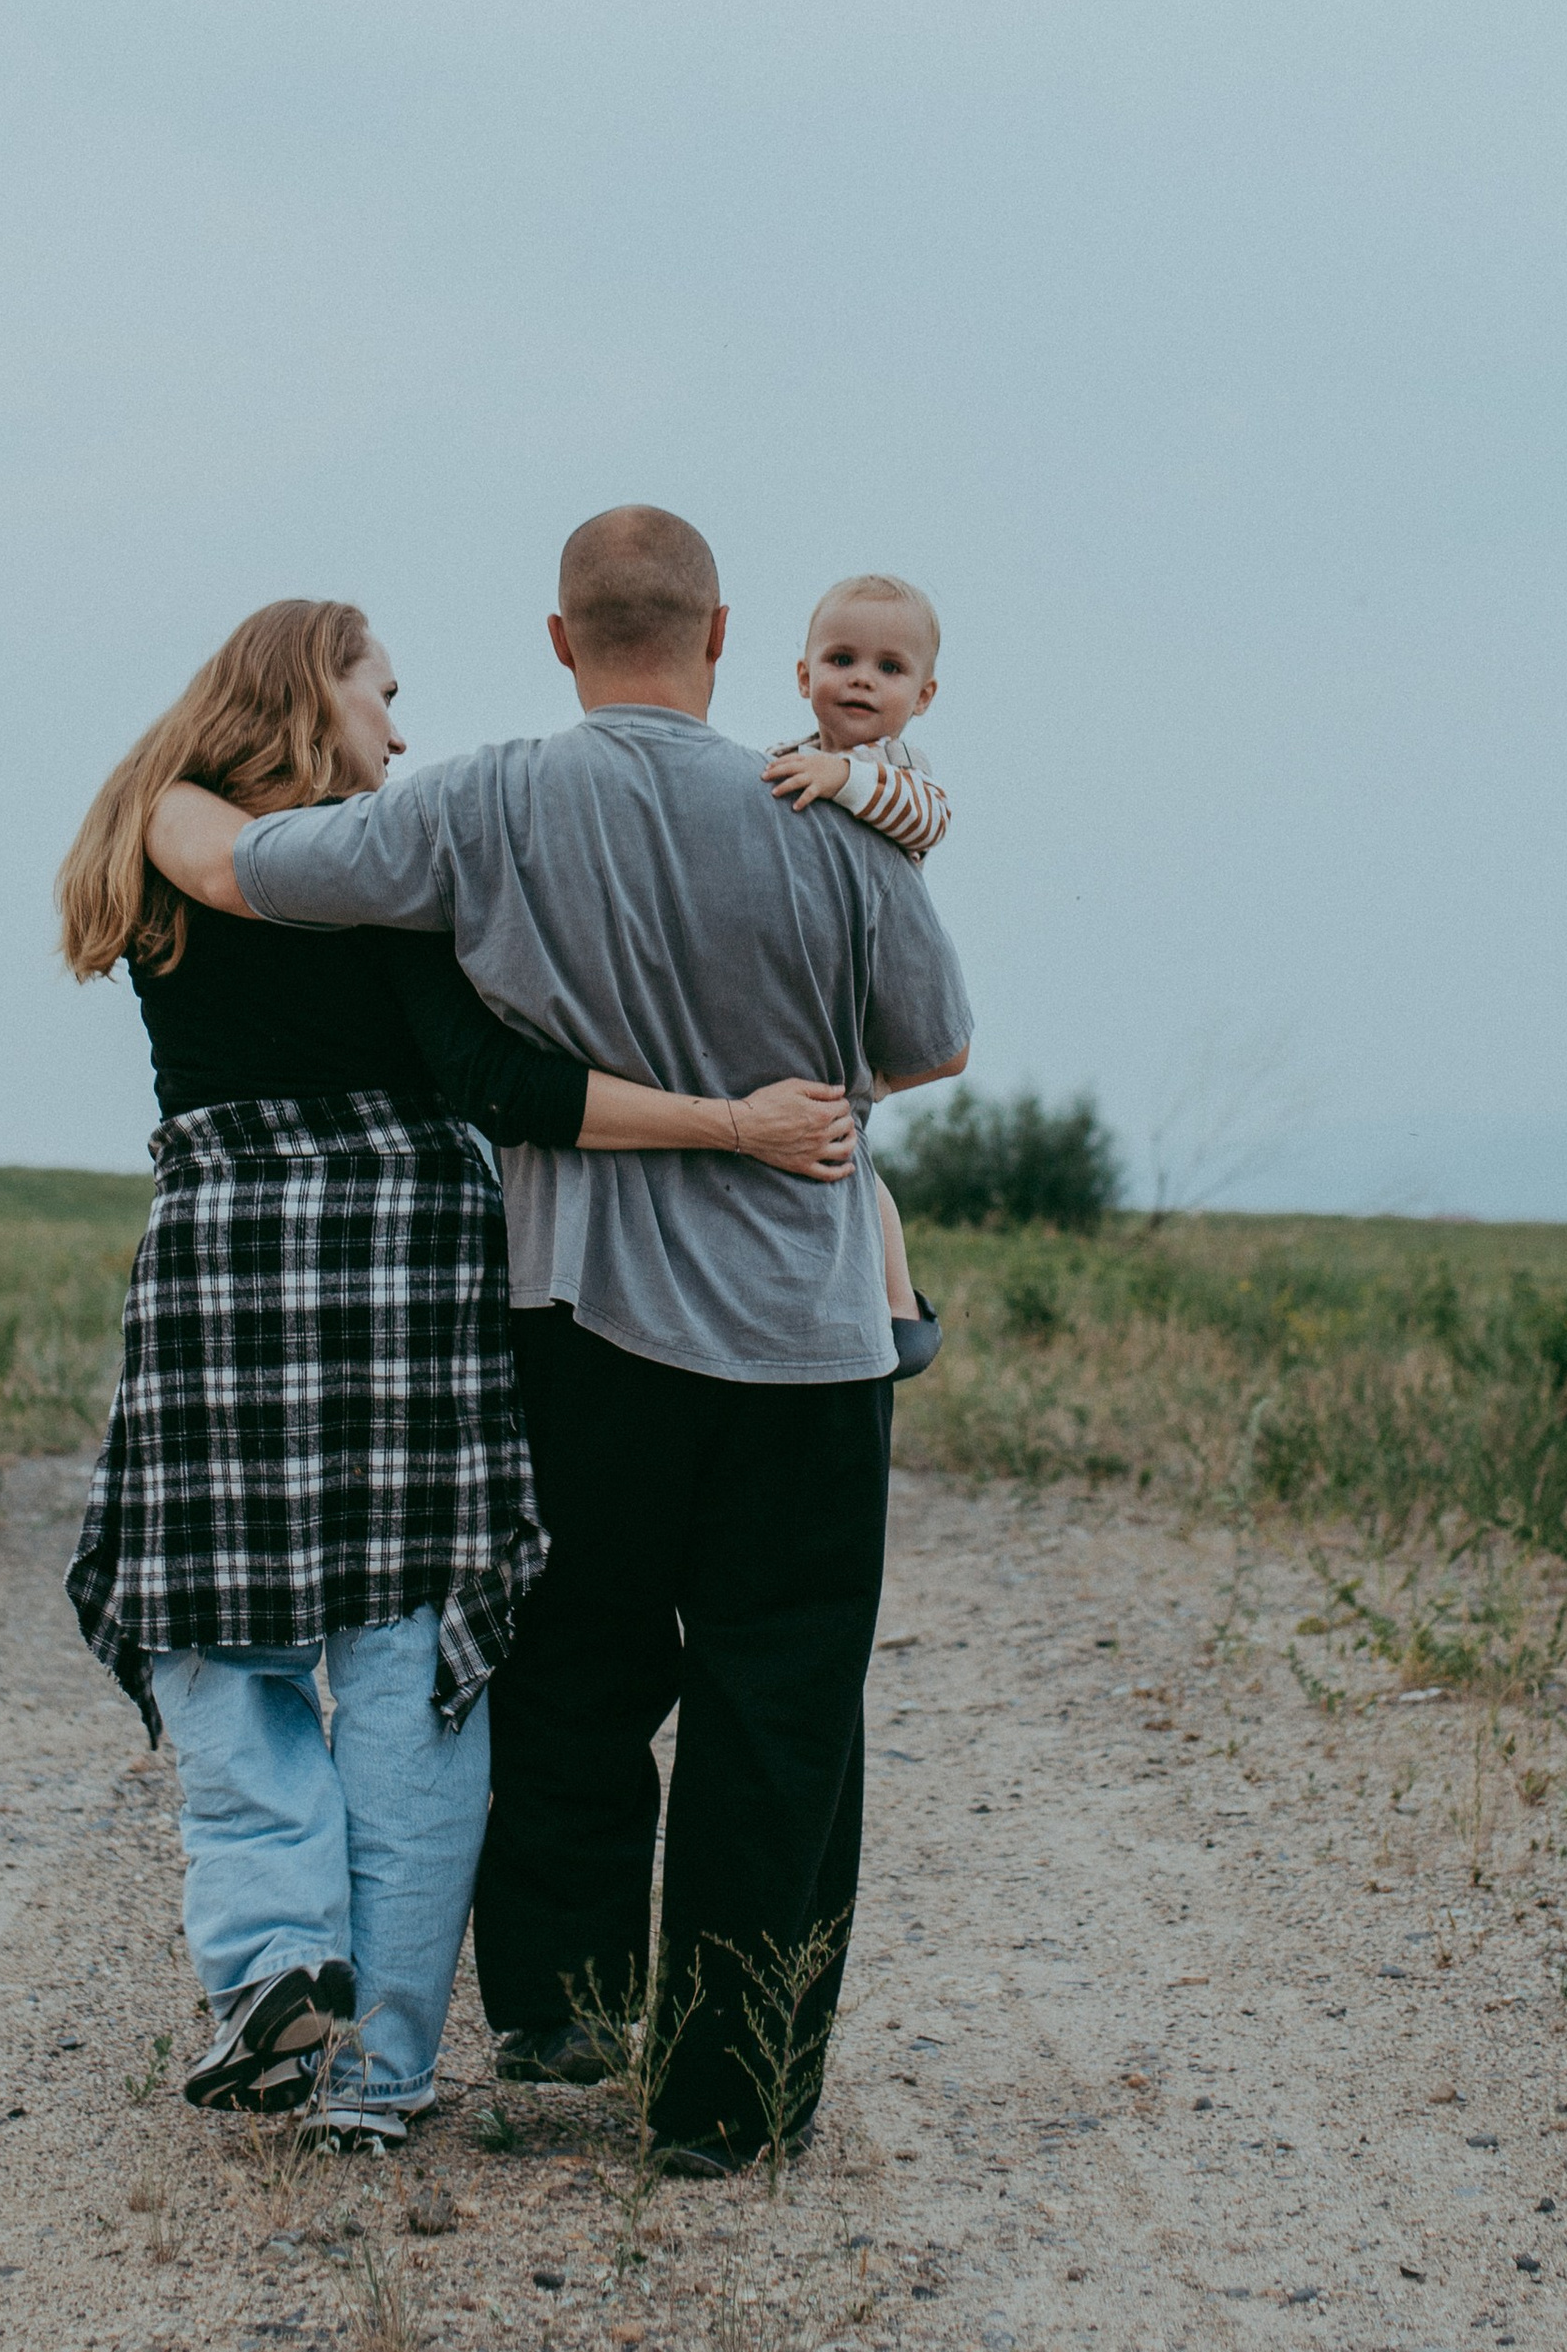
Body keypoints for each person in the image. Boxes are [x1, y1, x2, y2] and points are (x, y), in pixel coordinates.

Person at [146, 510, 972, 2172]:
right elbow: (933, 1043)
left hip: (582, 1317)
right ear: (722, 636)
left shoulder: (485, 798)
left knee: (572, 1668)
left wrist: (159, 795)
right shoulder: (834, 815)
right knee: (780, 1704)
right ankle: (732, 2104)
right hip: (806, 1345)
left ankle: (567, 2005)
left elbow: (255, 869)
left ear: (557, 637)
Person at [762, 572, 954, 1375]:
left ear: (923, 694)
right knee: (839, 1136)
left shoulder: (895, 764)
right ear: (803, 674)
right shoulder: (783, 758)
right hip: (816, 979)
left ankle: (898, 1304)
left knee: (853, 1146)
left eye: (889, 667)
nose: (862, 680)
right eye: (842, 659)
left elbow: (930, 815)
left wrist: (845, 779)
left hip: (875, 984)